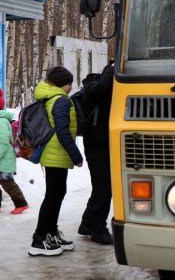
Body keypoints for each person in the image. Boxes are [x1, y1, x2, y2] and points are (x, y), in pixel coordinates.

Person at [28, 66, 84, 257]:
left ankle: (51, 233)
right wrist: (76, 156)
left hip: (54, 154)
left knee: (57, 193)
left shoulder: (51, 97)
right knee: (53, 195)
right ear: (63, 84)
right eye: (69, 83)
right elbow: (63, 131)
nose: (71, 87)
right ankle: (39, 238)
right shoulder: (60, 100)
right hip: (55, 154)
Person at [77, 60, 115, 245]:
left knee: (102, 188)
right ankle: (98, 228)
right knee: (104, 188)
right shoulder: (91, 90)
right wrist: (112, 68)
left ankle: (87, 223)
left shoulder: (102, 92)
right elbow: (104, 85)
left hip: (102, 145)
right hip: (97, 146)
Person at [0, 88, 29, 215]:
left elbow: (3, 141)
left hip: (1, 158)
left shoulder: (1, 121)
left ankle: (21, 204)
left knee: (7, 183)